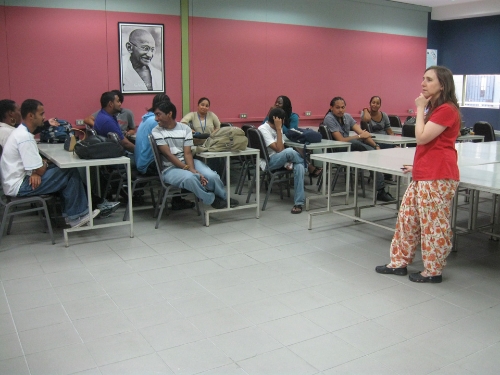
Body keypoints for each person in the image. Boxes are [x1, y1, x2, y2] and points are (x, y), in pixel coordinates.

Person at [376, 66, 461, 283]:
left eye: (429, 79)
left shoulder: (447, 110)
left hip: (438, 176)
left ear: (442, 85)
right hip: (424, 173)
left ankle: (433, 271)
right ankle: (399, 262)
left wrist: (419, 109)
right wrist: (418, 168)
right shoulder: (434, 109)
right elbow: (431, 144)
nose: (423, 83)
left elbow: (422, 137)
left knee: (433, 225)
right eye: (423, 78)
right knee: (407, 219)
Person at [0, 99, 105, 228]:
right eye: (41, 114)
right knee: (69, 171)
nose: (44, 117)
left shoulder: (21, 133)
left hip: (18, 180)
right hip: (20, 186)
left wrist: (38, 168)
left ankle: (75, 215)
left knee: (63, 171)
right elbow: (40, 169)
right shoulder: (24, 137)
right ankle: (76, 216)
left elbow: (37, 167)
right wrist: (38, 169)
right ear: (31, 116)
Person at [151, 100, 238, 209]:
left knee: (212, 176)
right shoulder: (156, 131)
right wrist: (188, 169)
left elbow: (187, 153)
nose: (155, 118)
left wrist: (192, 168)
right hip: (170, 168)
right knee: (191, 178)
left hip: (188, 162)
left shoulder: (185, 129)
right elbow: (168, 155)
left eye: (158, 115)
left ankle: (223, 198)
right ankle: (212, 199)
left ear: (169, 114)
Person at [323, 96, 394, 202]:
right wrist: (361, 137)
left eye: (343, 107)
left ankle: (380, 190)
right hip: (338, 150)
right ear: (331, 107)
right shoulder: (329, 118)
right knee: (356, 142)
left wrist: (375, 146)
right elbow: (341, 140)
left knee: (371, 150)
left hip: (350, 149)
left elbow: (362, 133)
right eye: (337, 107)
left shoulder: (347, 117)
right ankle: (381, 190)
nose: (340, 110)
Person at [135, 93, 194, 210]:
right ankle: (177, 199)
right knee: (181, 161)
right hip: (149, 163)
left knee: (178, 159)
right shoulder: (156, 121)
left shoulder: (146, 118)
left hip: (140, 160)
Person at [258, 107, 306, 214]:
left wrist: (286, 162)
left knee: (299, 166)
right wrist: (279, 129)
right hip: (268, 162)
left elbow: (281, 150)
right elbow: (280, 149)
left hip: (279, 160)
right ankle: (308, 165)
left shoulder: (276, 129)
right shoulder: (263, 129)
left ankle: (298, 203)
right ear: (280, 120)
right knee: (290, 151)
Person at [264, 95, 322, 178]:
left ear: (285, 105)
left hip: (291, 140)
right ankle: (309, 167)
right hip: (278, 144)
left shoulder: (294, 116)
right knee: (290, 150)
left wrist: (280, 124)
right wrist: (269, 114)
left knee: (293, 148)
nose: (276, 105)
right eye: (276, 102)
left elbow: (291, 132)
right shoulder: (273, 117)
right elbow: (264, 125)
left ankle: (307, 167)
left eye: (279, 103)